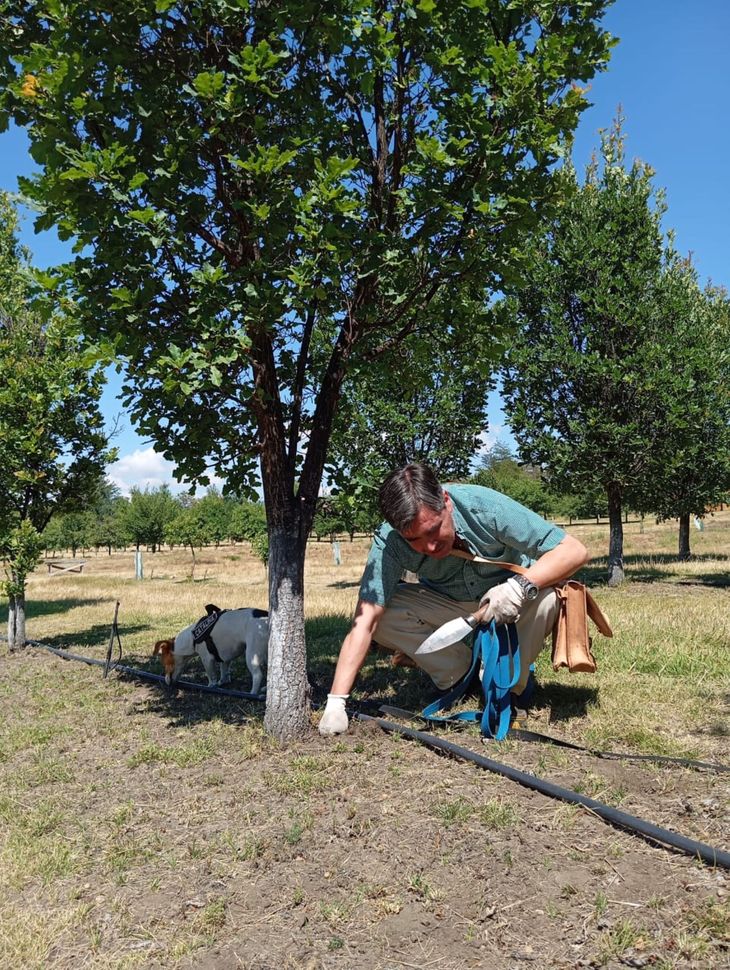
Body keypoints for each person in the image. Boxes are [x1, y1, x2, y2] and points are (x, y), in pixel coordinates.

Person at [319, 462, 589, 735]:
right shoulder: (389, 541)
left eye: (434, 530)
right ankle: (457, 676)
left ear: (445, 502)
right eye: (415, 540)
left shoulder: (485, 506)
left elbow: (573, 551)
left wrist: (518, 588)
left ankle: (509, 689)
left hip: (511, 605)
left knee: (548, 598)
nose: (430, 546)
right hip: (448, 606)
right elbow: (363, 622)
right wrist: (336, 703)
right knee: (382, 614)